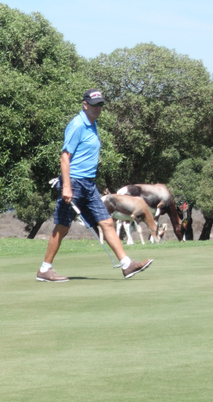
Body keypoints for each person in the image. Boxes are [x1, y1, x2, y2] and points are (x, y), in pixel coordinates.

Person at [37, 89, 153, 282]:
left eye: (100, 104)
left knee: (106, 222)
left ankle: (126, 265)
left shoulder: (93, 124)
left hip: (89, 184)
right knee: (63, 226)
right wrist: (66, 187)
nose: (98, 108)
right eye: (94, 104)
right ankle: (44, 269)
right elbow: (65, 157)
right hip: (74, 182)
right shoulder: (77, 125)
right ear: (85, 105)